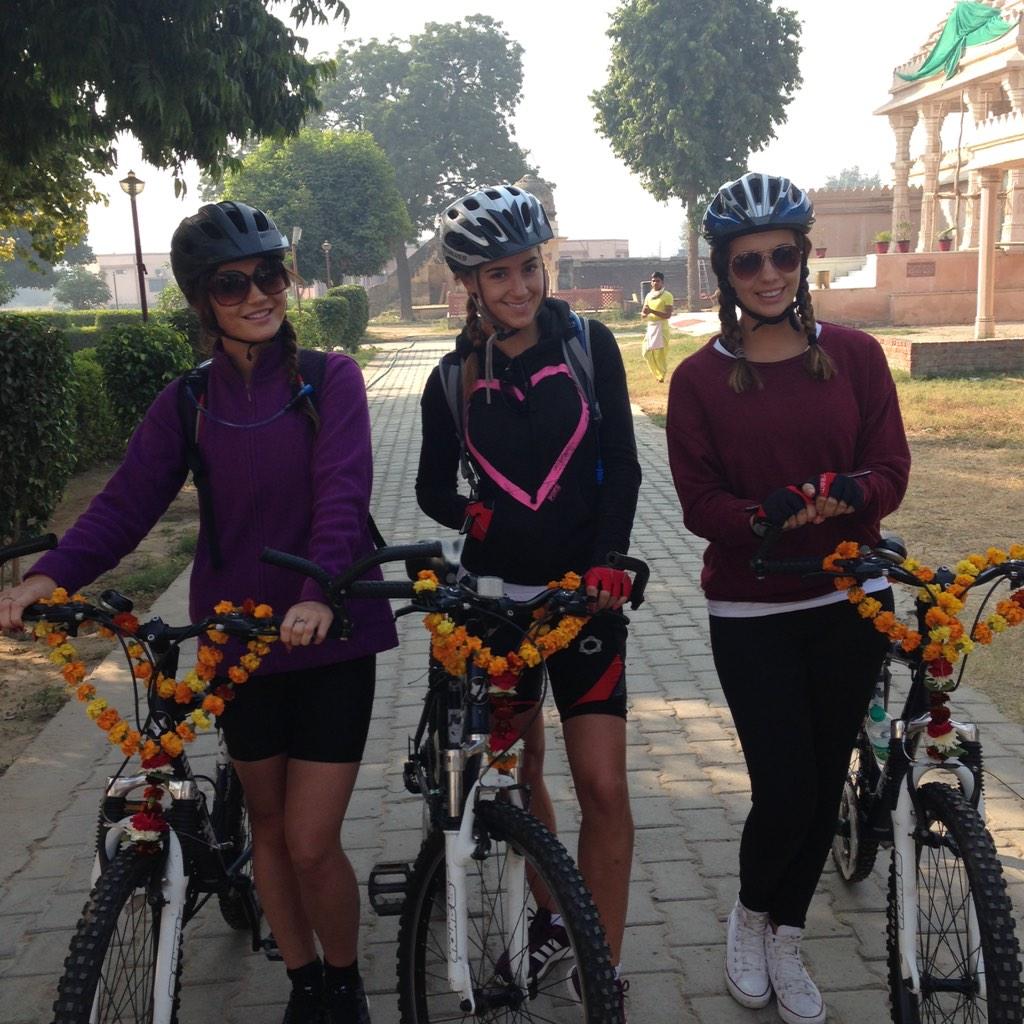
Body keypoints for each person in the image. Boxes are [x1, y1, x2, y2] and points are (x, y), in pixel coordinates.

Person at [0, 201, 396, 1024]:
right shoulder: (188, 401)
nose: (259, 294)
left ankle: (346, 981)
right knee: (268, 823)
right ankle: (302, 981)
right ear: (201, 301)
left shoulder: (331, 379)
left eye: (271, 274)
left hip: (327, 638)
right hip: (237, 643)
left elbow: (343, 493)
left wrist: (320, 590)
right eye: (232, 284)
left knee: (311, 840)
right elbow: (125, 504)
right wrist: (50, 576)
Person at [665, 172, 910, 1024]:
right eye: (746, 263)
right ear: (724, 274)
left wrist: (852, 492)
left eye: (780, 256)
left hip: (851, 599)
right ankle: (749, 913)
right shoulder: (699, 380)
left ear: (803, 259)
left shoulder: (856, 356)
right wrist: (758, 516)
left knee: (826, 772)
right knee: (788, 789)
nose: (766, 274)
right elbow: (697, 502)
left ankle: (789, 932)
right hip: (754, 606)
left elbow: (891, 471)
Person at [417, 184, 642, 1011]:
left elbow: (622, 464)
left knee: (604, 786)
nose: (518, 288)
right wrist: (471, 513)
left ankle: (600, 962)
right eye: (497, 275)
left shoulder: (591, 345)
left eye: (528, 268)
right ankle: (552, 916)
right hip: (493, 602)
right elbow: (431, 487)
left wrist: (609, 558)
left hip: (584, 598)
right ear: (469, 284)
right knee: (521, 768)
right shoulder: (450, 378)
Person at [640, 270, 674, 382]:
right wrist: (644, 314)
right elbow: (644, 313)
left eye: (658, 281)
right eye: (653, 281)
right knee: (646, 352)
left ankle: (662, 376)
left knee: (660, 354)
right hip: (651, 327)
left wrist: (652, 311)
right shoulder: (649, 296)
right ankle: (656, 373)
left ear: (662, 282)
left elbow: (667, 315)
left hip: (661, 327)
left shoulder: (667, 296)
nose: (655, 283)